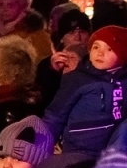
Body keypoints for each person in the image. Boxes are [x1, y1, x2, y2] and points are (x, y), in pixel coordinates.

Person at [44, 25, 127, 154]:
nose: (100, 53)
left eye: (109, 49)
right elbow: (55, 116)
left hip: (113, 154)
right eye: (95, 47)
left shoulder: (124, 81)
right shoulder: (77, 80)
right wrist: (43, 147)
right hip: (79, 150)